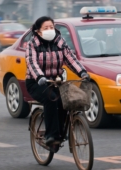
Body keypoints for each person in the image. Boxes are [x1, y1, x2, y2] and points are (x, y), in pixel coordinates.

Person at [25, 16, 90, 149]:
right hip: (37, 82)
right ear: (38, 31)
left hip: (56, 81)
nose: (50, 30)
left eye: (51, 27)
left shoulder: (60, 41)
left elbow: (70, 59)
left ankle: (60, 132)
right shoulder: (32, 44)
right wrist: (40, 77)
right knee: (52, 98)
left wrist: (82, 72)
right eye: (46, 28)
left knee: (66, 100)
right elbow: (32, 63)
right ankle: (51, 135)